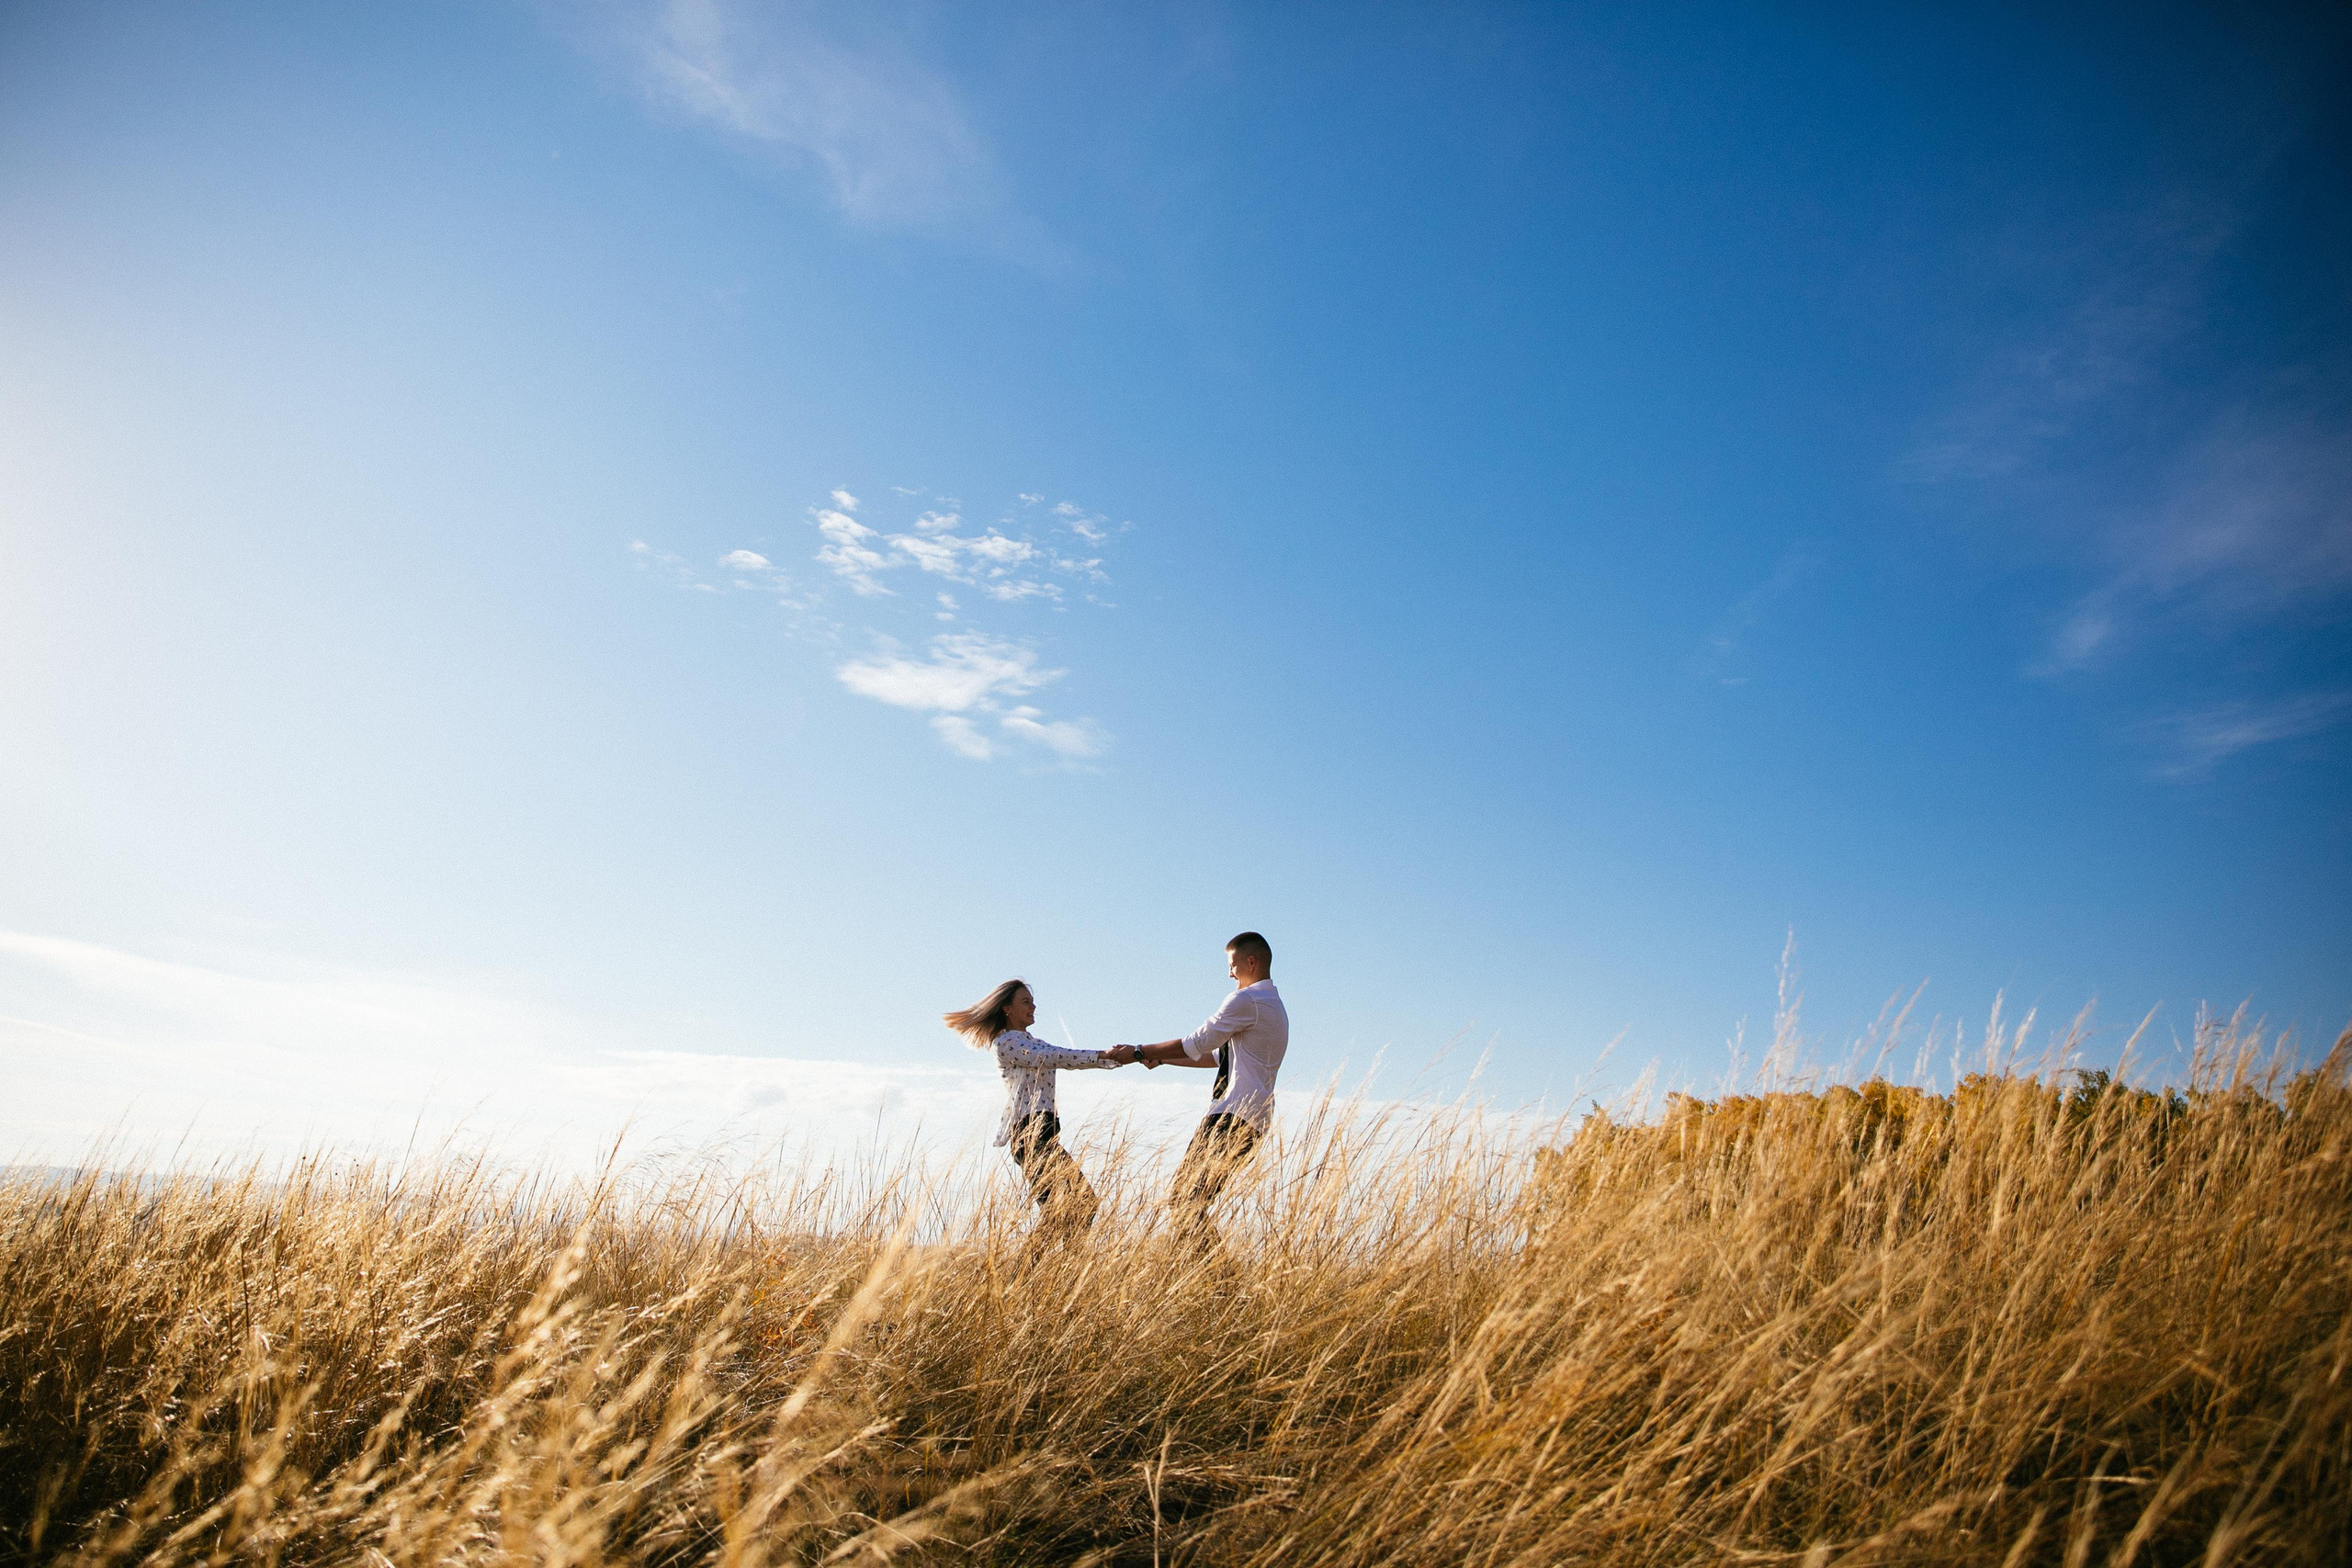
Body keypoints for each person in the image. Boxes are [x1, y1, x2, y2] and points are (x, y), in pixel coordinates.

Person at [1107, 931, 1288, 1256]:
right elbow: (1218, 1057)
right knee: (1191, 1201)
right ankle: (1221, 1284)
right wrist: (1161, 1058)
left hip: (1232, 1114)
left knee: (1184, 1200)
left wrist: (1137, 1051)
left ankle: (1225, 1287)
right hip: (1254, 1120)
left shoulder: (1247, 1001)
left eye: (1233, 966)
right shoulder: (1273, 1006)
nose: (1229, 974)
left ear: (1251, 962)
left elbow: (1196, 1042)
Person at [944, 977, 1122, 1249]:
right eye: (1025, 1002)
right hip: (1030, 1134)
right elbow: (1057, 1057)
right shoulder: (1007, 1043)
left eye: (1032, 1001)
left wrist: (1113, 1058)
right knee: (1062, 1208)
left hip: (1045, 1132)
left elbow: (1054, 1055)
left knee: (1082, 1204)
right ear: (1007, 1009)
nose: (1033, 1006)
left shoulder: (1030, 1040)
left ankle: (1065, 1274)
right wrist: (1107, 1057)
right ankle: (1026, 1278)